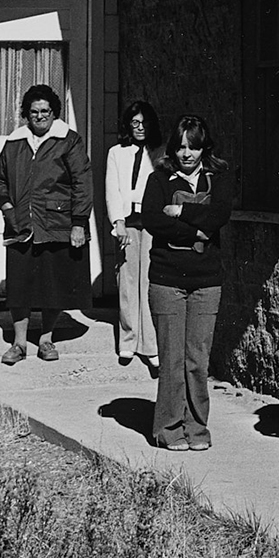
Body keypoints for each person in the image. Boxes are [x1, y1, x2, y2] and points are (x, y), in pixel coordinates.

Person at [142, 115, 234, 452]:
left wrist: (180, 213)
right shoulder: (159, 180)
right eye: (180, 147)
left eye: (193, 147)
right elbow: (152, 219)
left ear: (203, 148)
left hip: (206, 282)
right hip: (167, 281)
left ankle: (197, 428)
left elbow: (220, 214)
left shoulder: (217, 179)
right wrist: (196, 229)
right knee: (172, 359)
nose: (186, 153)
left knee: (197, 360)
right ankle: (168, 428)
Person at [0, 84, 93, 364]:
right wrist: (7, 205)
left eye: (45, 111)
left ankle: (46, 340)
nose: (39, 116)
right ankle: (19, 343)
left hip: (56, 222)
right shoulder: (14, 143)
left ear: (54, 112)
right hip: (20, 223)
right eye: (33, 111)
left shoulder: (68, 140)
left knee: (51, 284)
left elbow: (82, 182)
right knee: (20, 284)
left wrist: (79, 223)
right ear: (26, 114)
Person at [105, 101, 164, 373]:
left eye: (144, 123)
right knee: (127, 282)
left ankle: (150, 346)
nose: (140, 128)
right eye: (135, 123)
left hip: (151, 222)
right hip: (127, 222)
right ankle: (127, 340)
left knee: (149, 280)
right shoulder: (117, 153)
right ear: (128, 125)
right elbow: (112, 189)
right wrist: (117, 222)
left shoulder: (161, 154)